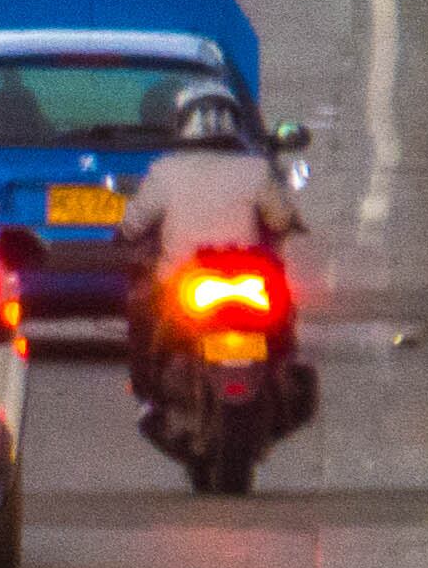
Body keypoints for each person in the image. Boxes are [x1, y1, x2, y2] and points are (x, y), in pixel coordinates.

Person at [119, 83, 304, 403]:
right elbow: (279, 220)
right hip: (248, 280)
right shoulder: (255, 169)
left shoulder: (166, 170)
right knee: (284, 316)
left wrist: (124, 234)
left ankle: (145, 390)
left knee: (140, 307)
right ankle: (282, 376)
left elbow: (134, 223)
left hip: (182, 280)